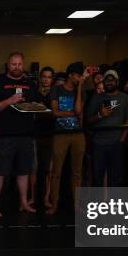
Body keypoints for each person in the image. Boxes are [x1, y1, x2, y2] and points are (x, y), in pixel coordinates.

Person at [0, 52, 38, 218]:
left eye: (19, 64)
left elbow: (37, 105)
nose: (17, 67)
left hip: (26, 135)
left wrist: (32, 107)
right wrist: (8, 101)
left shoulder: (30, 84)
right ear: (8, 65)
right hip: (5, 135)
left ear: (23, 65)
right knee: (0, 170)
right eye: (13, 64)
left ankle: (24, 202)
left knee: (24, 171)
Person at [47, 62, 88, 215]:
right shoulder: (56, 90)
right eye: (78, 76)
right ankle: (54, 204)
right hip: (60, 134)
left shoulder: (81, 91)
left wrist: (79, 89)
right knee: (56, 172)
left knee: (77, 172)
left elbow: (79, 111)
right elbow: (55, 112)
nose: (80, 78)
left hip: (78, 134)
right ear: (70, 75)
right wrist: (74, 114)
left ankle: (76, 205)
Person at [86, 70, 128, 187]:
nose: (109, 82)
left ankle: (113, 204)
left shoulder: (124, 97)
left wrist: (122, 139)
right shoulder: (96, 98)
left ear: (117, 82)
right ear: (104, 82)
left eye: (112, 80)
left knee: (115, 177)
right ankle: (98, 204)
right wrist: (100, 115)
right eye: (107, 80)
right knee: (97, 177)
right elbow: (88, 120)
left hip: (117, 143)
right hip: (98, 143)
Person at [33, 66, 54, 208]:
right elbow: (31, 112)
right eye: (44, 76)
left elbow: (55, 113)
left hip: (51, 134)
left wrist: (43, 110)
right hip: (34, 134)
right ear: (40, 78)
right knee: (33, 168)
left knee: (49, 169)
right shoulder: (34, 93)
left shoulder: (56, 93)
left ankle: (47, 198)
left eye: (49, 77)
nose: (46, 79)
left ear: (52, 79)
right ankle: (32, 198)